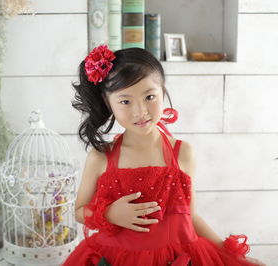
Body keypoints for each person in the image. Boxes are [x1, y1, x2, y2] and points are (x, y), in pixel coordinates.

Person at [62, 45, 265, 265]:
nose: (140, 111)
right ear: (107, 101)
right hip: (116, 258)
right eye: (125, 101)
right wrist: (110, 214)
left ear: (163, 90)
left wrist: (233, 255)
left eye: (149, 96)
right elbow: (79, 211)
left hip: (177, 258)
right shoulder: (101, 157)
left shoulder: (183, 153)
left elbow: (189, 216)